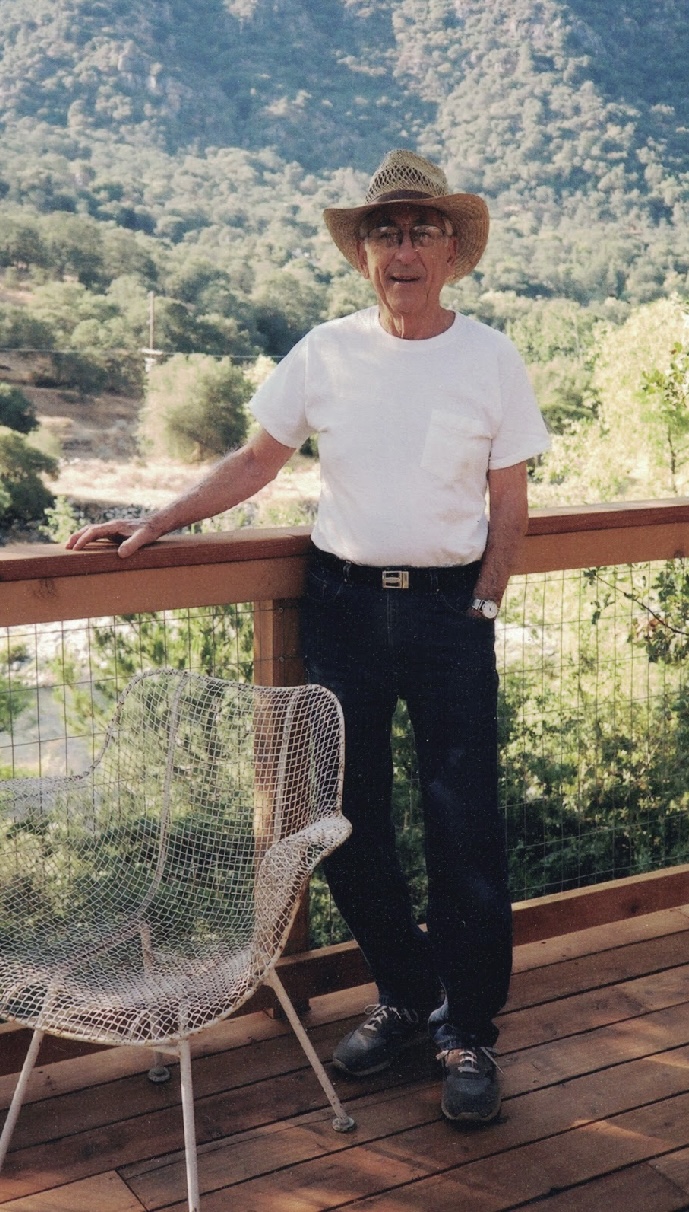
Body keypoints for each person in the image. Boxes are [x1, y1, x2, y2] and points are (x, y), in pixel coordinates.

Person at [67, 149, 550, 1125]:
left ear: (451, 251)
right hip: (340, 604)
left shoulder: (489, 358)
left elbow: (510, 498)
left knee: (464, 832)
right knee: (337, 819)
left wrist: (487, 602)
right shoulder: (322, 353)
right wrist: (153, 522)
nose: (401, 247)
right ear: (362, 252)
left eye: (420, 230)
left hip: (450, 614)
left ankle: (468, 1036)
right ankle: (408, 996)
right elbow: (255, 460)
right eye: (384, 230)